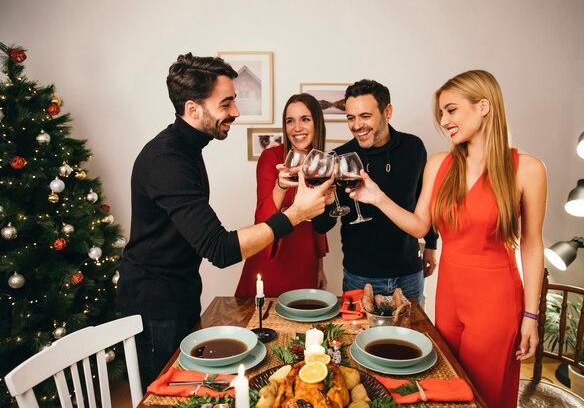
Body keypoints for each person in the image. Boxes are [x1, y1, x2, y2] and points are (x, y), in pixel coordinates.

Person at [116, 54, 332, 390]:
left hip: (181, 293)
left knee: (189, 388)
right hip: (155, 304)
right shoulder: (167, 159)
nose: (235, 112)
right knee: (167, 394)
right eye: (227, 102)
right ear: (193, 110)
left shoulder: (187, 150)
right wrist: (294, 215)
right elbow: (219, 249)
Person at [349, 70, 546, 407]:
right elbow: (419, 225)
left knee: (483, 393)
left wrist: (531, 316)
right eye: (441, 113)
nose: (444, 120)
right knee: (450, 387)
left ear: (484, 106)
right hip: (450, 296)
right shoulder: (440, 164)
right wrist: (377, 197)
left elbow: (531, 245)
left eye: (451, 110)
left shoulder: (527, 168)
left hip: (495, 299)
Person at [312, 79, 438, 303]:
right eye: (351, 117)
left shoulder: (413, 147)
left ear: (387, 112)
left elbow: (422, 199)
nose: (356, 125)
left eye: (365, 116)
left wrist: (431, 244)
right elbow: (322, 226)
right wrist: (328, 200)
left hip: (409, 272)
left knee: (409, 337)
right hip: (360, 276)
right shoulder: (339, 157)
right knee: (359, 337)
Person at [235, 93, 330, 296]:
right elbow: (263, 217)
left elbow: (318, 223)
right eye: (290, 121)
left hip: (306, 257)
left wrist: (320, 265)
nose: (297, 128)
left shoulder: (322, 162)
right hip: (273, 253)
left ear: (317, 123)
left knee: (303, 318)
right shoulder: (271, 157)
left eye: (305, 119)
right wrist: (280, 186)